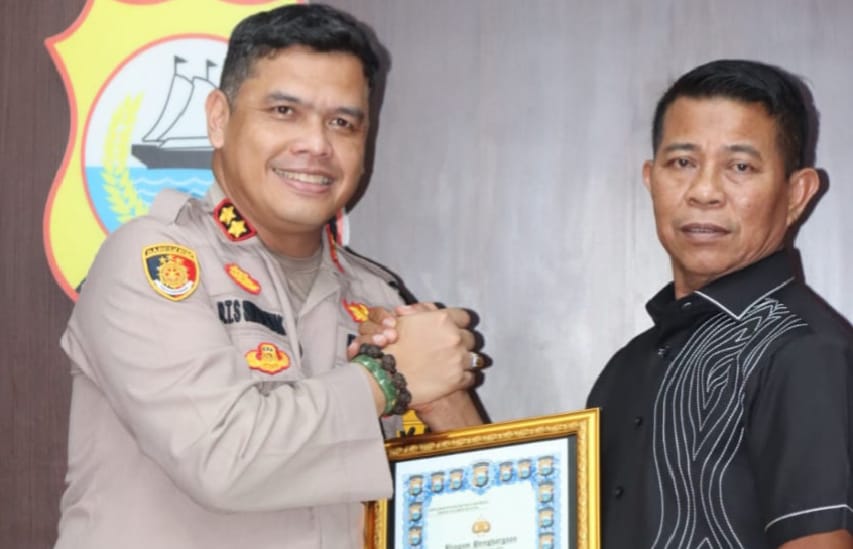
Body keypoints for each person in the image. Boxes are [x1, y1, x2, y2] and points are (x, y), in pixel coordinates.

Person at [54, 4, 485, 548]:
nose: (317, 145)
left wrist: (444, 394)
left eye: (342, 123)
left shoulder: (377, 294)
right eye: (284, 111)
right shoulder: (152, 260)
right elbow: (221, 458)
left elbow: (481, 499)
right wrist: (387, 380)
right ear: (218, 118)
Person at [586, 59, 853, 549]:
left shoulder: (802, 350)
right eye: (682, 163)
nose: (704, 192)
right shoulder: (630, 363)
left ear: (797, 194)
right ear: (650, 178)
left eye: (740, 167)